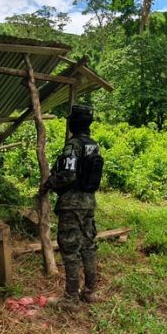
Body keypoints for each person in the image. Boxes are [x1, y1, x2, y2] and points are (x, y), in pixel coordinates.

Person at [43, 104, 102, 308]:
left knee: (70, 249)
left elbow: (68, 175)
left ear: (72, 123)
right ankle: (91, 291)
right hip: (89, 203)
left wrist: (48, 184)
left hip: (71, 204)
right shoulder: (93, 145)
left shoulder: (73, 145)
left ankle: (70, 298)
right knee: (88, 246)